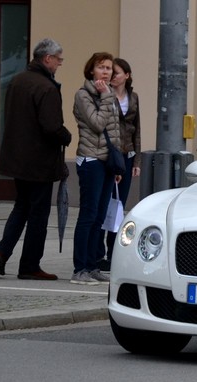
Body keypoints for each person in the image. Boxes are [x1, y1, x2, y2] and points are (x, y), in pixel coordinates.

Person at [0, 38, 72, 280]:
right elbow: (51, 127)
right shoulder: (46, 87)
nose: (59, 64)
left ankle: (1, 254)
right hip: (39, 163)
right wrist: (66, 136)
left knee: (21, 208)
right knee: (38, 215)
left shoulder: (18, 80)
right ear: (47, 59)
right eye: (58, 60)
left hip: (17, 159)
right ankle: (29, 266)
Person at [71, 52, 121, 285]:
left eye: (109, 68)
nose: (106, 72)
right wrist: (105, 97)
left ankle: (92, 266)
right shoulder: (84, 95)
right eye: (101, 67)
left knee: (100, 216)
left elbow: (115, 131)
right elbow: (98, 124)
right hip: (91, 160)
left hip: (107, 161)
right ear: (91, 70)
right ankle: (79, 269)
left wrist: (117, 162)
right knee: (88, 216)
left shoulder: (107, 94)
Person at [96, 58, 141, 272]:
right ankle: (98, 252)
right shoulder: (105, 95)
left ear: (127, 75)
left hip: (127, 154)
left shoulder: (133, 98)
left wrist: (137, 160)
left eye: (117, 72)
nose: (113, 75)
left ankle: (113, 252)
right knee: (104, 204)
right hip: (110, 154)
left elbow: (137, 129)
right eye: (111, 72)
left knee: (119, 206)